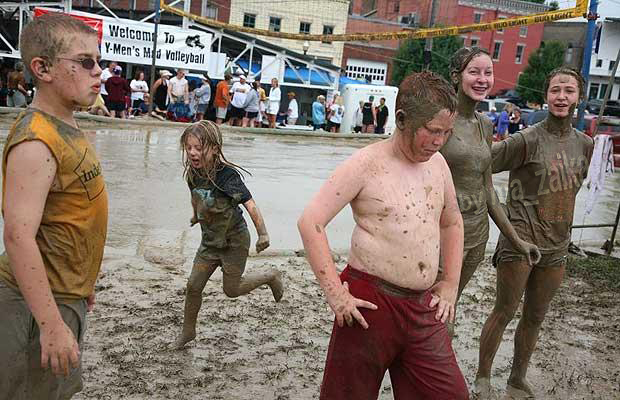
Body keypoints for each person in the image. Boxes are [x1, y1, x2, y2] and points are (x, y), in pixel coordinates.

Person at [297, 71, 468, 400]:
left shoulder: (439, 164)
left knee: (450, 394)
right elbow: (311, 222)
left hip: (422, 307)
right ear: (402, 119)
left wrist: (450, 284)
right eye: (432, 131)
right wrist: (336, 294)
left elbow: (452, 222)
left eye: (447, 132)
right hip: (369, 303)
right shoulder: (365, 164)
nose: (439, 141)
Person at [0, 13, 108, 399]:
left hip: (66, 292)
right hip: (36, 307)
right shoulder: (35, 142)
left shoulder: (67, 123)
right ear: (42, 68)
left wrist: (83, 279)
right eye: (84, 62)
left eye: (98, 60)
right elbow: (17, 236)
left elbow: (71, 214)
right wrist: (50, 325)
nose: (99, 71)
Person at [475, 68, 594, 399]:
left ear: (578, 98)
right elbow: (482, 161)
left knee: (535, 317)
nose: (561, 97)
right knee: (504, 310)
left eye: (568, 91)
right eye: (555, 90)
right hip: (521, 241)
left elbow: (573, 188)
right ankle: (483, 377)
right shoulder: (526, 139)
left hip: (557, 245)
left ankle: (516, 379)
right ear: (546, 95)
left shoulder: (585, 144)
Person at [441, 48, 540, 331]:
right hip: (443, 232)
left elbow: (488, 192)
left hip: (476, 235)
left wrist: (517, 241)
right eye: (474, 72)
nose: (482, 79)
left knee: (451, 308)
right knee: (432, 308)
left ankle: (437, 370)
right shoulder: (441, 121)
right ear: (456, 77)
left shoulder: (485, 124)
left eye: (488, 73)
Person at [173, 121, 284, 349]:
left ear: (214, 148)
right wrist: (196, 215)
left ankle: (270, 276)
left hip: (234, 241)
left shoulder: (227, 176)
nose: (193, 153)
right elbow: (195, 195)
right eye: (189, 147)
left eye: (198, 148)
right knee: (193, 286)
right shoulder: (192, 174)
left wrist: (263, 234)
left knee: (231, 290)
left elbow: (250, 204)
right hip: (210, 242)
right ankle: (188, 331)